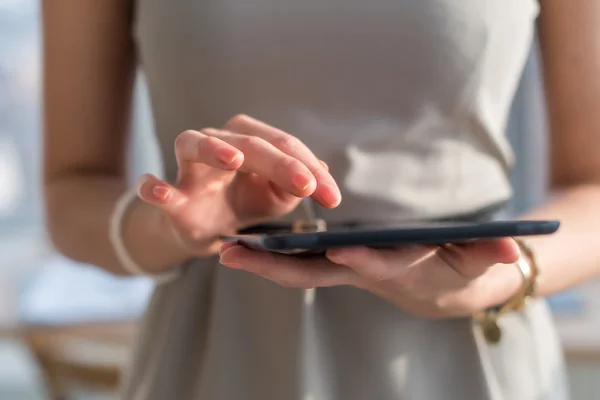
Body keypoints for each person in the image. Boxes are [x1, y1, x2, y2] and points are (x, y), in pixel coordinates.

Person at [41, 1, 600, 399]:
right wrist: (169, 227)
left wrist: (506, 276)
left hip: (471, 359)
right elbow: (72, 190)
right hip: (215, 361)